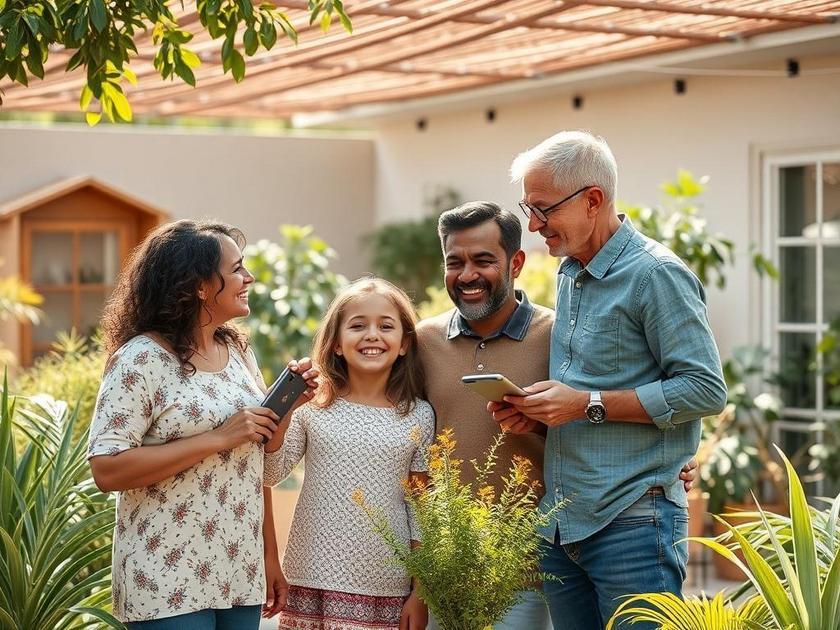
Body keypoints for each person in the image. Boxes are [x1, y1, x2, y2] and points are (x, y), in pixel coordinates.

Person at [417, 201, 699, 630]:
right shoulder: (422, 342)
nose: (467, 274)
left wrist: (670, 458)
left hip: (536, 567)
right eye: (454, 262)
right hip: (445, 566)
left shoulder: (560, 337)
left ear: (517, 262)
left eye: (483, 260)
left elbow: (640, 396)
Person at [492, 130, 727, 629]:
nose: (533, 225)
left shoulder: (656, 274)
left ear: (592, 200)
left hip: (634, 526)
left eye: (543, 209)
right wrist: (539, 418)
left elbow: (705, 389)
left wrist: (583, 404)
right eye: (527, 208)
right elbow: (590, 391)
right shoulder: (570, 271)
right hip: (563, 525)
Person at [87, 219, 316, 629]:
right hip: (164, 578)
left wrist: (269, 557)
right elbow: (107, 468)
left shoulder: (237, 350)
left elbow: (255, 463)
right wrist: (216, 438)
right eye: (237, 269)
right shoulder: (139, 360)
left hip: (239, 570)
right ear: (199, 285)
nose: (249, 277)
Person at [264, 277, 434, 630]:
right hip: (310, 579)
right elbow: (270, 474)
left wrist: (420, 593)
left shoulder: (418, 414)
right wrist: (287, 412)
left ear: (404, 344)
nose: (372, 335)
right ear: (337, 344)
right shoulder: (313, 407)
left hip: (385, 584)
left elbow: (422, 511)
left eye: (385, 326)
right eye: (357, 326)